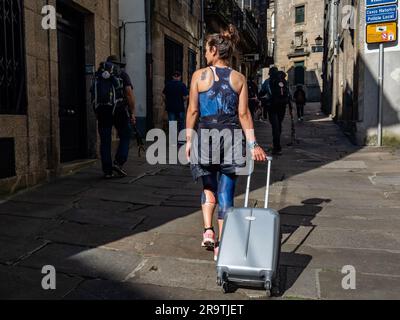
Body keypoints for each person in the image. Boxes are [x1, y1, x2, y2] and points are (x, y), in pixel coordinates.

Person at [186, 24, 268, 261]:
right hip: (231, 139)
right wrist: (253, 144)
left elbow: (193, 110)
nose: (204, 53)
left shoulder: (199, 76)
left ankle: (208, 231)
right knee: (226, 192)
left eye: (206, 49)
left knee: (208, 187)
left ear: (213, 50)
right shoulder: (239, 78)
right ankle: (222, 246)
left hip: (206, 137)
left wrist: (189, 139)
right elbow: (244, 115)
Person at [91, 55, 136, 179]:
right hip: (119, 109)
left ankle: (107, 171)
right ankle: (118, 162)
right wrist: (132, 112)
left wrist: (96, 112)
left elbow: (93, 95)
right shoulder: (122, 74)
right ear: (117, 64)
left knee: (105, 140)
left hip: (102, 110)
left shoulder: (98, 75)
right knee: (125, 134)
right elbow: (129, 93)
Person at [163, 71, 189, 145]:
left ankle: (173, 141)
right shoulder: (182, 85)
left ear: (173, 77)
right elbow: (185, 97)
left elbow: (163, 95)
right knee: (181, 123)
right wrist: (182, 100)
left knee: (172, 124)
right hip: (180, 107)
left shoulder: (168, 85)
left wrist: (167, 101)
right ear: (180, 77)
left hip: (170, 107)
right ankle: (181, 140)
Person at [268, 70, 290, 155]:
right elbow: (288, 94)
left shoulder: (269, 81)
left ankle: (276, 146)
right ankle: (277, 144)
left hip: (272, 106)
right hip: (282, 106)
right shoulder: (284, 82)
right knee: (279, 124)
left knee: (275, 126)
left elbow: (263, 91)